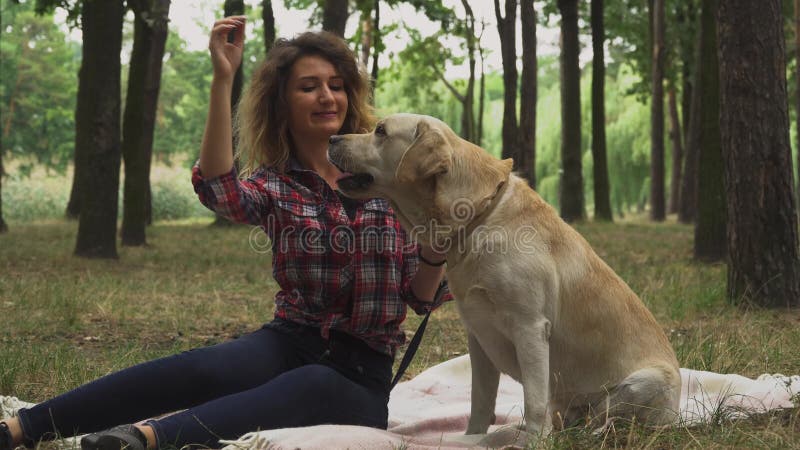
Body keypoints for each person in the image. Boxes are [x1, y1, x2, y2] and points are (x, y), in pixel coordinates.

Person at [0, 16, 450, 450]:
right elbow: (219, 189)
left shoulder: (389, 179)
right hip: (290, 340)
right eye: (309, 87)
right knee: (205, 368)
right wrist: (223, 78)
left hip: (359, 374)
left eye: (335, 85)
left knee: (308, 386)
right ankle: (20, 428)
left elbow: (422, 298)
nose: (326, 97)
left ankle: (143, 438)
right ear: (283, 103)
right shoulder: (277, 184)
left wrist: (434, 252)